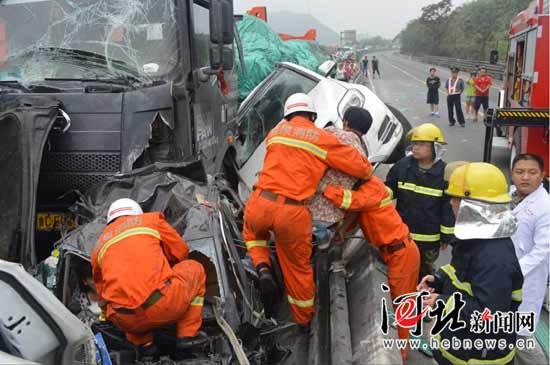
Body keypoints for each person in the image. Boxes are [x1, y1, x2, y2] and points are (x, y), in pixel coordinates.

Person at [242, 93, 372, 327]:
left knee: (253, 235)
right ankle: (303, 321)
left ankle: (262, 266)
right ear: (312, 115)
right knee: (297, 269)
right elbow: (362, 169)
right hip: (291, 212)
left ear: (287, 115)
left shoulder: (275, 133)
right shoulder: (321, 138)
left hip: (260, 202)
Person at [419, 162, 524, 365]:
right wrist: (438, 279)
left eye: (457, 198)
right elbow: (461, 275)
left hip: (479, 355)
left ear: (476, 205)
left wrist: (441, 301)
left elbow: (489, 315)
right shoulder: (475, 236)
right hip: (460, 343)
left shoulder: (494, 256)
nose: (451, 203)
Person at [91, 198, 206, 361]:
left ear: (110, 220)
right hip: (163, 305)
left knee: (122, 301)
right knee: (195, 268)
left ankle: (145, 348)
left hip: (127, 321)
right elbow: (180, 252)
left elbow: (102, 294)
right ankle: (188, 336)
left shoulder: (97, 247)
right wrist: (164, 268)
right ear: (136, 212)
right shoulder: (150, 220)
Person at [322, 176, 420, 362]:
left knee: (401, 310)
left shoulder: (372, 187)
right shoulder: (364, 191)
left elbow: (354, 202)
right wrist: (341, 231)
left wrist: (325, 188)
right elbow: (356, 214)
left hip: (402, 253)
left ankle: (401, 357)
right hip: (392, 252)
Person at [386, 123, 455, 281]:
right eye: (414, 144)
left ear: (435, 147)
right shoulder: (402, 166)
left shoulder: (445, 174)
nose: (415, 148)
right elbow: (389, 190)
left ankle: (422, 302)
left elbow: (448, 208)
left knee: (424, 275)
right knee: (400, 272)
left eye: (422, 144)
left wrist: (446, 237)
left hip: (428, 240)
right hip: (403, 235)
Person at [510, 154, 550, 365]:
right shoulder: (509, 196)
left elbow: (542, 249)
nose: (525, 177)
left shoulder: (545, 206)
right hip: (506, 276)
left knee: (522, 336)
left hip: (527, 281)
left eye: (532, 173)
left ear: (542, 176)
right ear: (512, 173)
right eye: (520, 172)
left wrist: (514, 270)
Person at [308, 107, 372, 226]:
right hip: (333, 217)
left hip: (309, 208)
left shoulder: (333, 133)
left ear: (346, 122)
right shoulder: (363, 156)